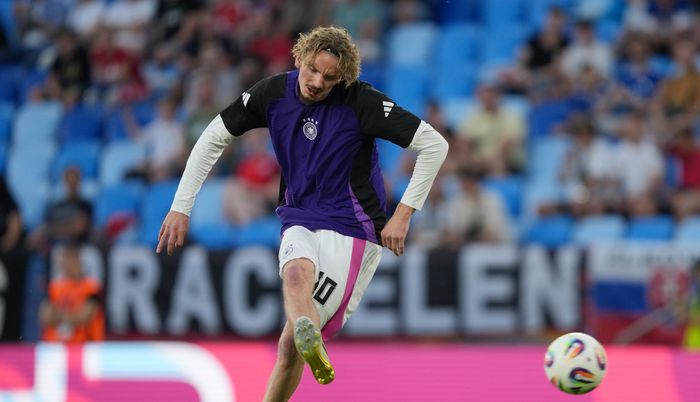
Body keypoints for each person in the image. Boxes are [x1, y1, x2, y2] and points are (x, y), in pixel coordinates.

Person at [156, 26, 448, 400]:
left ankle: (303, 333)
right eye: (312, 69)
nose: (316, 81)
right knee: (294, 274)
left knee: (288, 346)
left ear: (342, 78)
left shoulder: (361, 102)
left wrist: (403, 214)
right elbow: (214, 136)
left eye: (329, 78)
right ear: (299, 59)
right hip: (299, 216)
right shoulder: (273, 92)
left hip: (353, 231)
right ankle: (306, 327)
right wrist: (181, 207)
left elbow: (434, 145)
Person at [39, 244, 105, 343]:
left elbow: (85, 316)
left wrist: (58, 315)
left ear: (78, 260)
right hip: (56, 347)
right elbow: (44, 317)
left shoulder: (91, 286)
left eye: (69, 259)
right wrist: (71, 315)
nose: (64, 264)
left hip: (85, 348)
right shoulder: (55, 287)